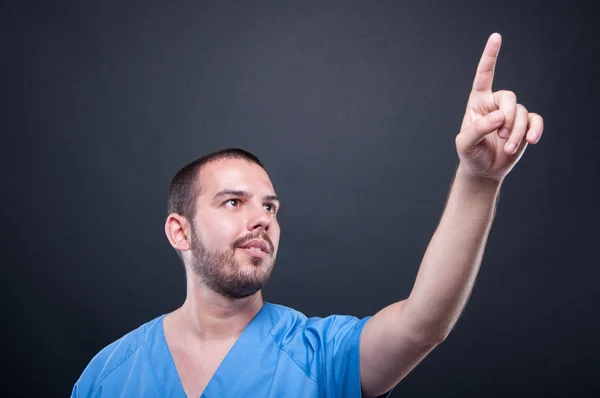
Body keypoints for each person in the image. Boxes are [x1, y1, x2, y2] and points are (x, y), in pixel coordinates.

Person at [71, 33, 544, 398]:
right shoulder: (108, 374)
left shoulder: (319, 356)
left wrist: (478, 180)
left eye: (270, 207)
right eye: (234, 202)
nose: (262, 219)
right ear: (180, 231)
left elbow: (423, 325)